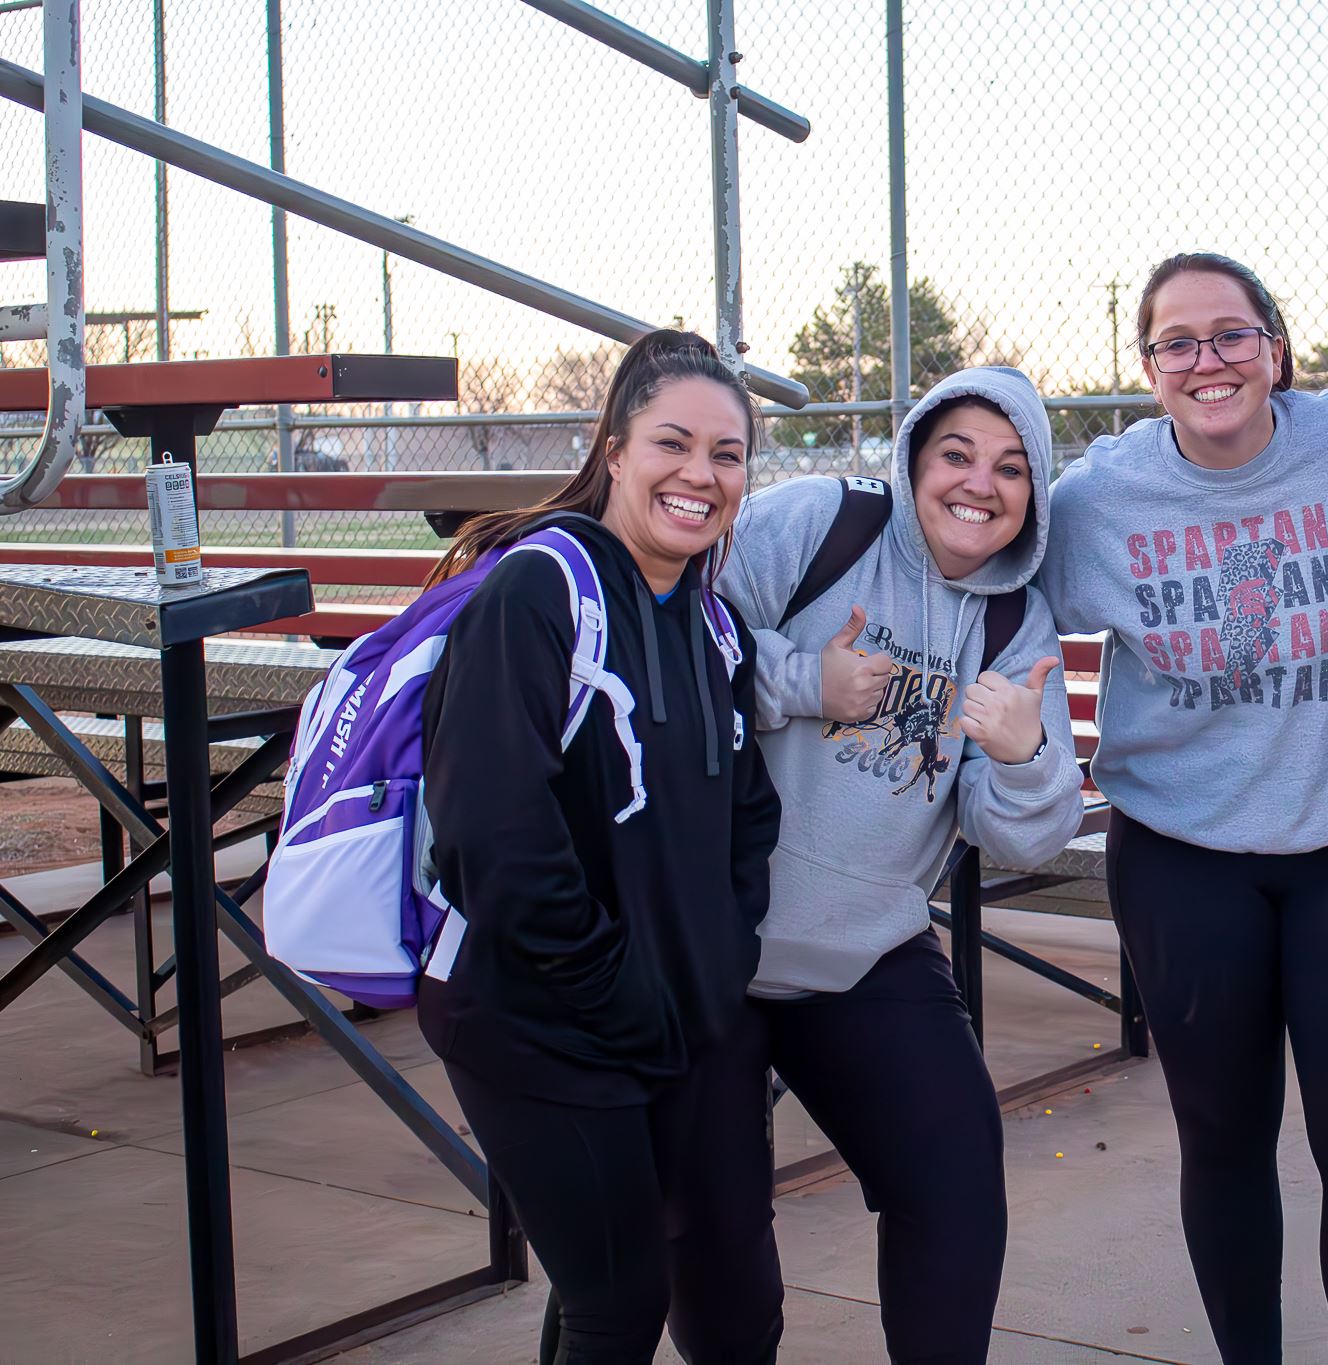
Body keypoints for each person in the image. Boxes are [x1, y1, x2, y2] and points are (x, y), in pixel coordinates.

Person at [1036, 253, 1328, 1364]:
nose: (1206, 360)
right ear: (1147, 367)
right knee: (1221, 1136)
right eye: (1178, 341)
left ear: (1273, 346)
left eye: (1230, 334)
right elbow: (984, 589)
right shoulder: (1097, 504)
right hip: (1185, 851)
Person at [667, 366, 1085, 1363]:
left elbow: (1025, 836)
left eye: (1011, 469)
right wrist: (809, 679)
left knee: (954, 1180)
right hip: (704, 951)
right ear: (912, 459)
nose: (978, 483)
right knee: (715, 1258)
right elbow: (670, 654)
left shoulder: (1009, 623)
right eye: (956, 454)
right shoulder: (819, 528)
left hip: (860, 954)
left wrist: (1021, 755)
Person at [416, 330, 781, 1365]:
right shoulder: (538, 591)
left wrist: (720, 956)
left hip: (674, 1018)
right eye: (673, 443)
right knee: (617, 1299)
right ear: (613, 449)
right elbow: (494, 835)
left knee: (664, 1293)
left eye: (726, 454)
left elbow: (748, 813)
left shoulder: (711, 622)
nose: (699, 475)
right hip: (536, 1020)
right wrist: (612, 988)